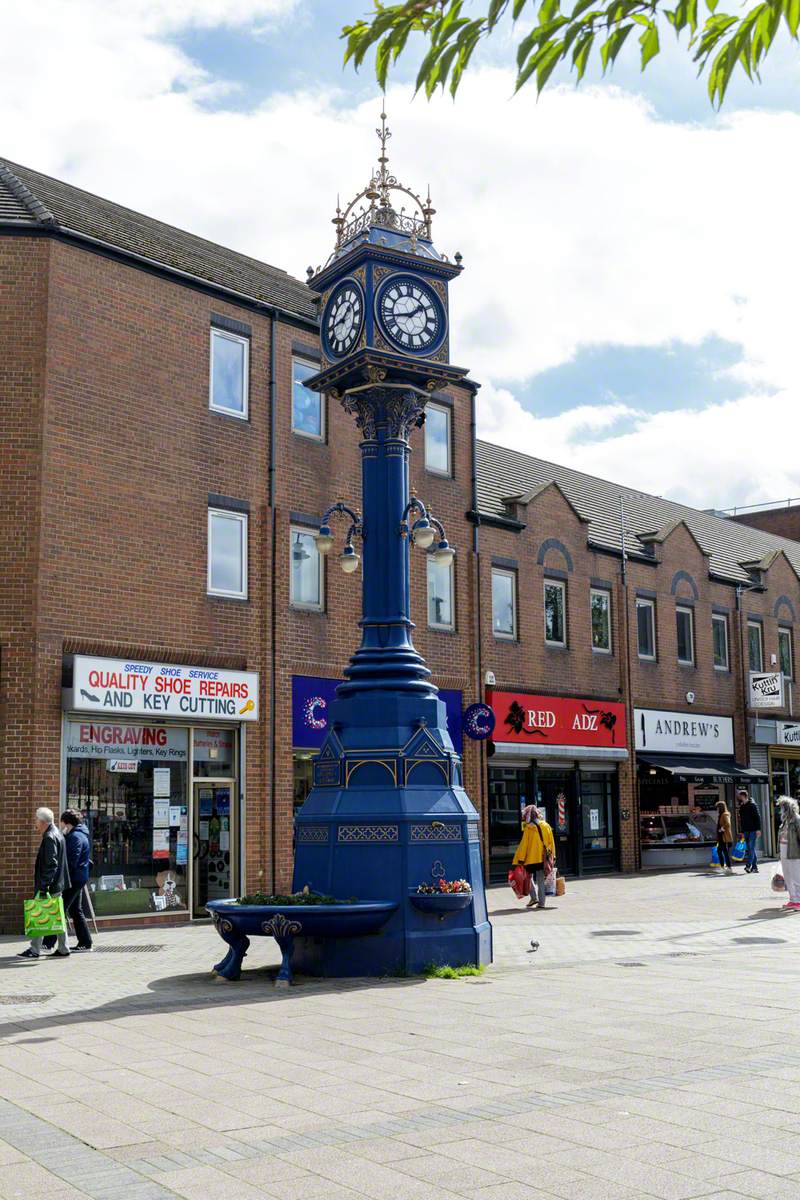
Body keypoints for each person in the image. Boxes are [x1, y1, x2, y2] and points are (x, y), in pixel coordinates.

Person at [17, 807, 70, 958]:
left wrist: (44, 886)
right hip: (57, 883)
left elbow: (51, 864)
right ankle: (64, 948)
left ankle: (34, 950)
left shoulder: (49, 837)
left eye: (36, 820)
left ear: (42, 821)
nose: (35, 822)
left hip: (49, 885)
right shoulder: (57, 833)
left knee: (38, 913)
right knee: (58, 915)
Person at [52, 811, 93, 951]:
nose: (60, 824)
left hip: (73, 879)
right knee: (76, 910)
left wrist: (60, 878)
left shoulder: (75, 837)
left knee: (60, 910)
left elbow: (71, 861)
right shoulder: (77, 834)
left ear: (66, 823)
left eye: (61, 822)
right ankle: (85, 942)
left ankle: (47, 943)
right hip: (78, 878)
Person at [512, 804, 556, 910]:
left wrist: (519, 859)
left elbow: (524, 845)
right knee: (541, 880)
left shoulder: (529, 828)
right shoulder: (546, 826)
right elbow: (551, 842)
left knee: (528, 877)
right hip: (543, 858)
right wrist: (553, 856)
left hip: (531, 859)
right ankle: (542, 903)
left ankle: (533, 897)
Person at [777, 796, 800, 909]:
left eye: (782, 807)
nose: (780, 809)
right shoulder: (785, 820)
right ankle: (793, 899)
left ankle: (798, 900)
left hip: (794, 850)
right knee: (788, 876)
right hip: (784, 848)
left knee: (796, 875)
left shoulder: (797, 819)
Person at [738, 789, 762, 874]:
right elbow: (741, 820)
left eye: (740, 795)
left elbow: (757, 818)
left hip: (753, 830)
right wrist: (741, 831)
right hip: (746, 830)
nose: (739, 797)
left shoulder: (752, 805)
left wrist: (758, 829)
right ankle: (755, 868)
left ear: (744, 796)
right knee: (750, 848)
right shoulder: (741, 807)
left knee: (751, 847)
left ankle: (748, 865)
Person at [715, 798, 735, 874]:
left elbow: (728, 824)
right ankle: (722, 867)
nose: (717, 809)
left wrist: (721, 829)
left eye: (717, 808)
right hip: (721, 837)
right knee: (719, 851)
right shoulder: (721, 815)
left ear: (720, 808)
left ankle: (729, 868)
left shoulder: (725, 814)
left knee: (725, 852)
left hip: (725, 837)